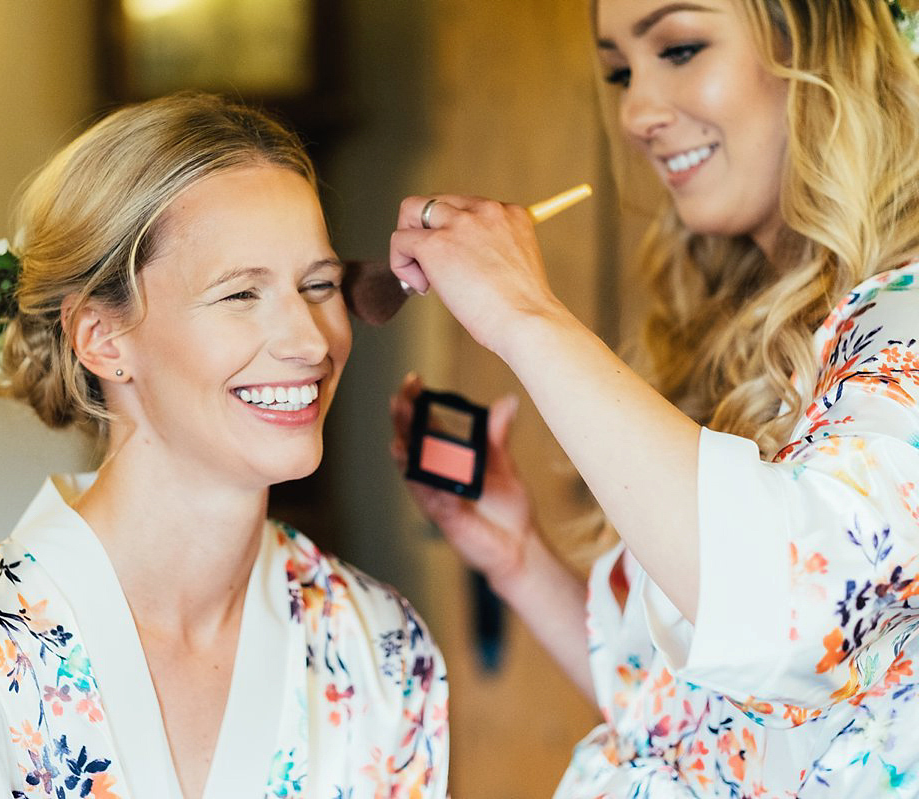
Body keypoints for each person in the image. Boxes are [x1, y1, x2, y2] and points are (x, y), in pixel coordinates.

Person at [0, 93, 449, 799]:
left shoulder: (383, 649)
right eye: (240, 294)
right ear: (102, 337)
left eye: (319, 285)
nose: (312, 340)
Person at [388, 0, 919, 796]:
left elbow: (801, 611)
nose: (634, 111)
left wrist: (524, 316)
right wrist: (518, 555)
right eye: (620, 70)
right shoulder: (750, 330)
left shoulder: (905, 319)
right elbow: (683, 720)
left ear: (824, 44)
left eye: (679, 47)